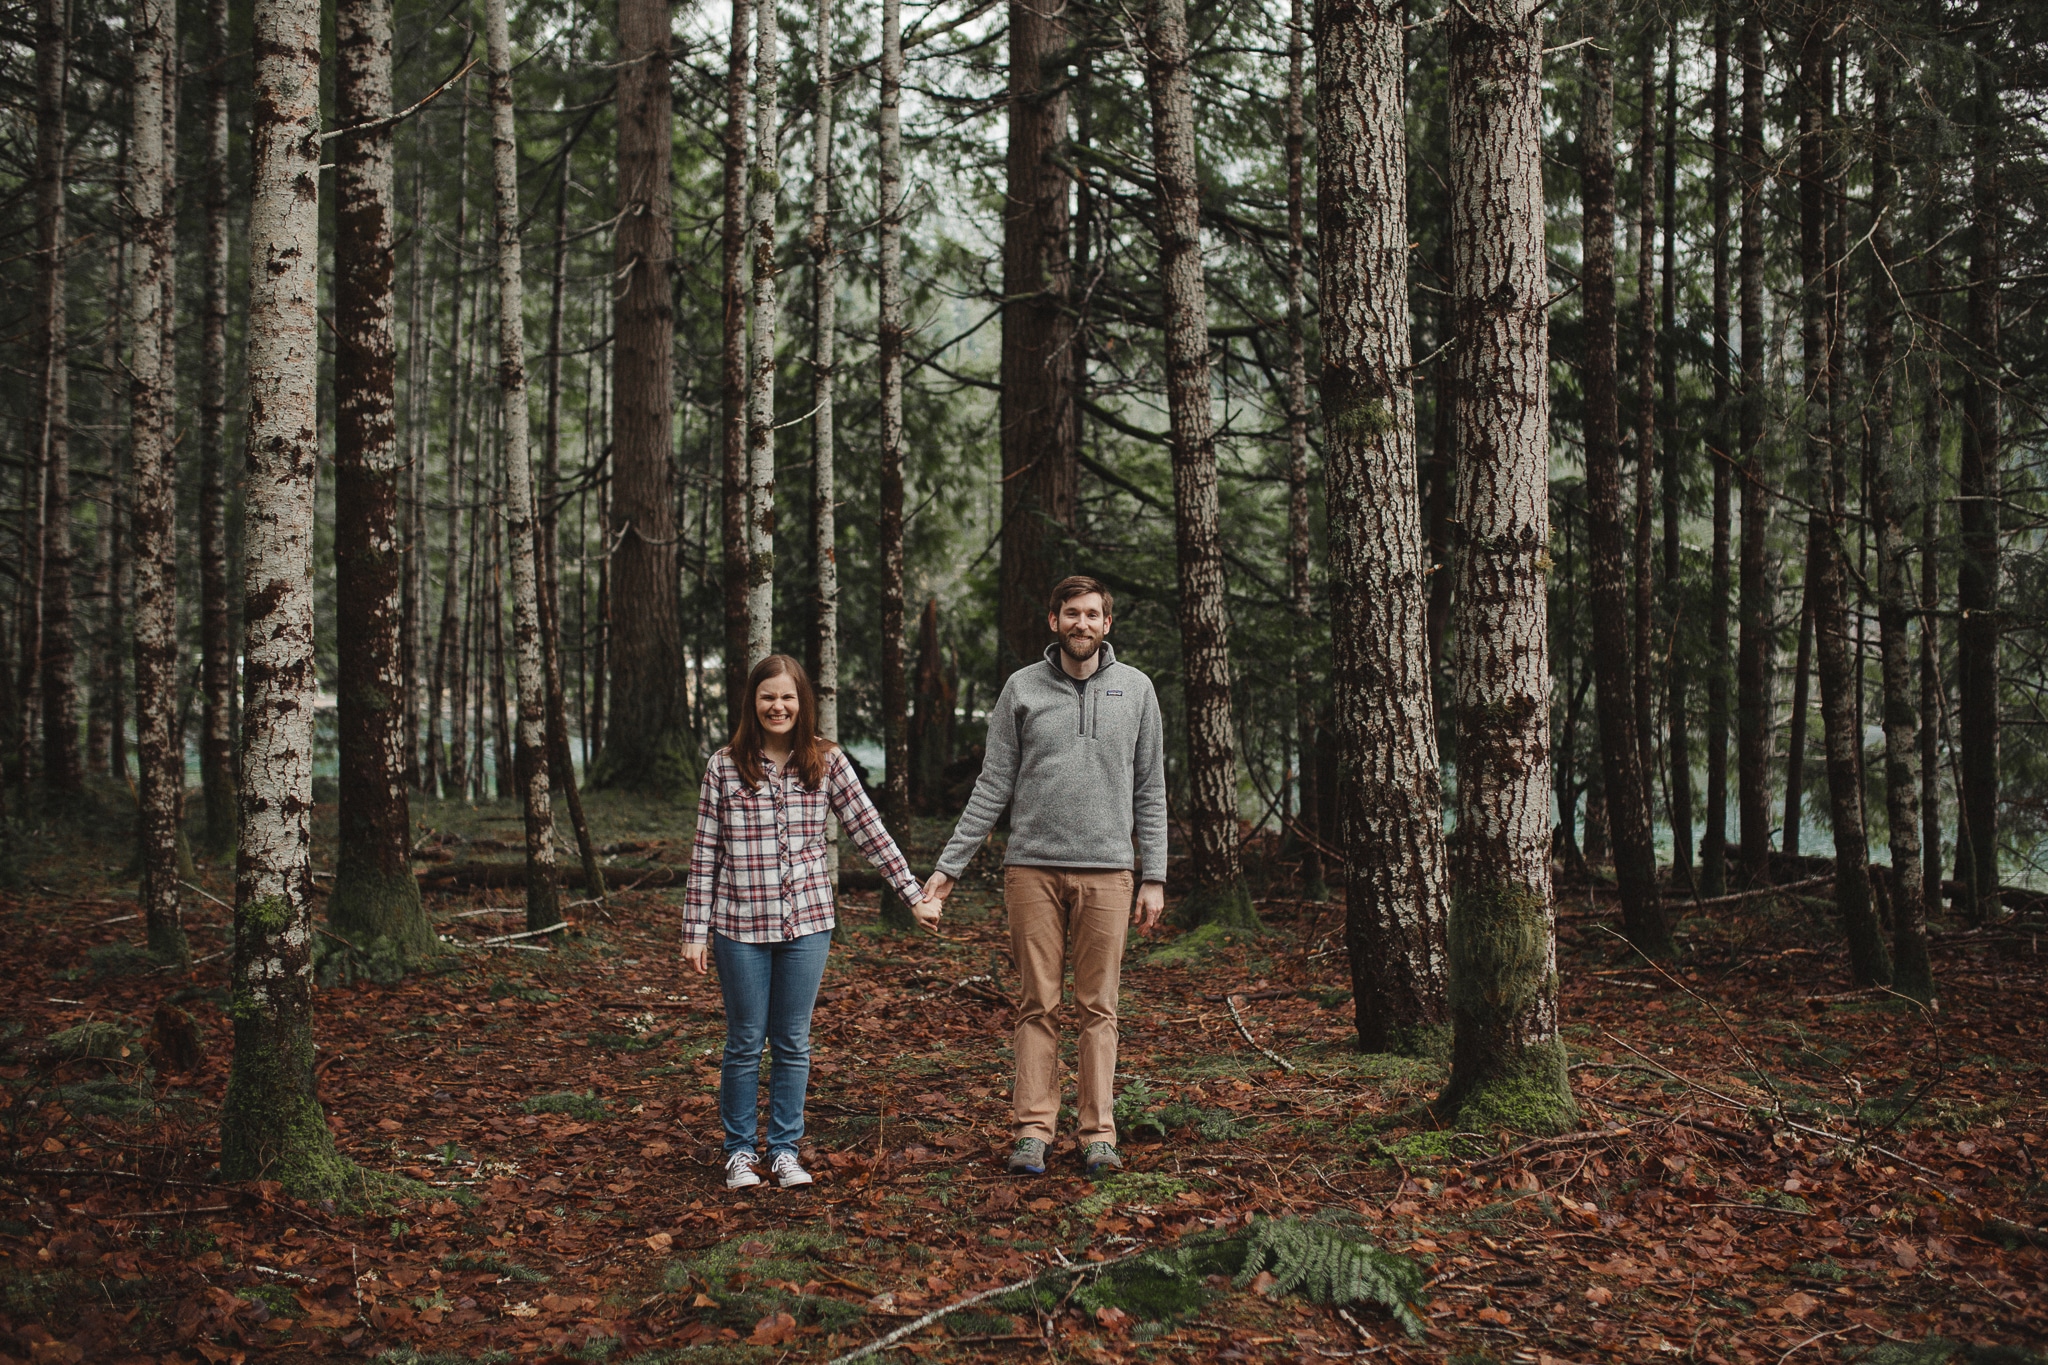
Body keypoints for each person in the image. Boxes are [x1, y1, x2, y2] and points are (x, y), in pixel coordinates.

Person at [922, 576, 1167, 1177]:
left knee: (1098, 1007)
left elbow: (1150, 788)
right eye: (1070, 614)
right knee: (1037, 1003)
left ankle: (1097, 1134)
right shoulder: (1021, 688)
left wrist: (1154, 874)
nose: (1081, 624)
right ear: (1053, 620)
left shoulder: (1136, 689)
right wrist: (948, 868)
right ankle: (1033, 1130)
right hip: (1030, 869)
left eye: (1092, 615)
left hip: (1110, 873)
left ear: (1107, 624)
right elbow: (992, 784)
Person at [684, 654, 941, 1191]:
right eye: (767, 697)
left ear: (803, 703)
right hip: (740, 927)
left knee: (793, 1041)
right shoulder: (724, 766)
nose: (778, 707)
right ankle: (738, 1153)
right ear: (752, 704)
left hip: (808, 925)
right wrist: (694, 931)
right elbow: (705, 853)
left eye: (787, 697)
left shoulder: (827, 762)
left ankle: (783, 1150)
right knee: (745, 1041)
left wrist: (912, 894)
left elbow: (870, 831)